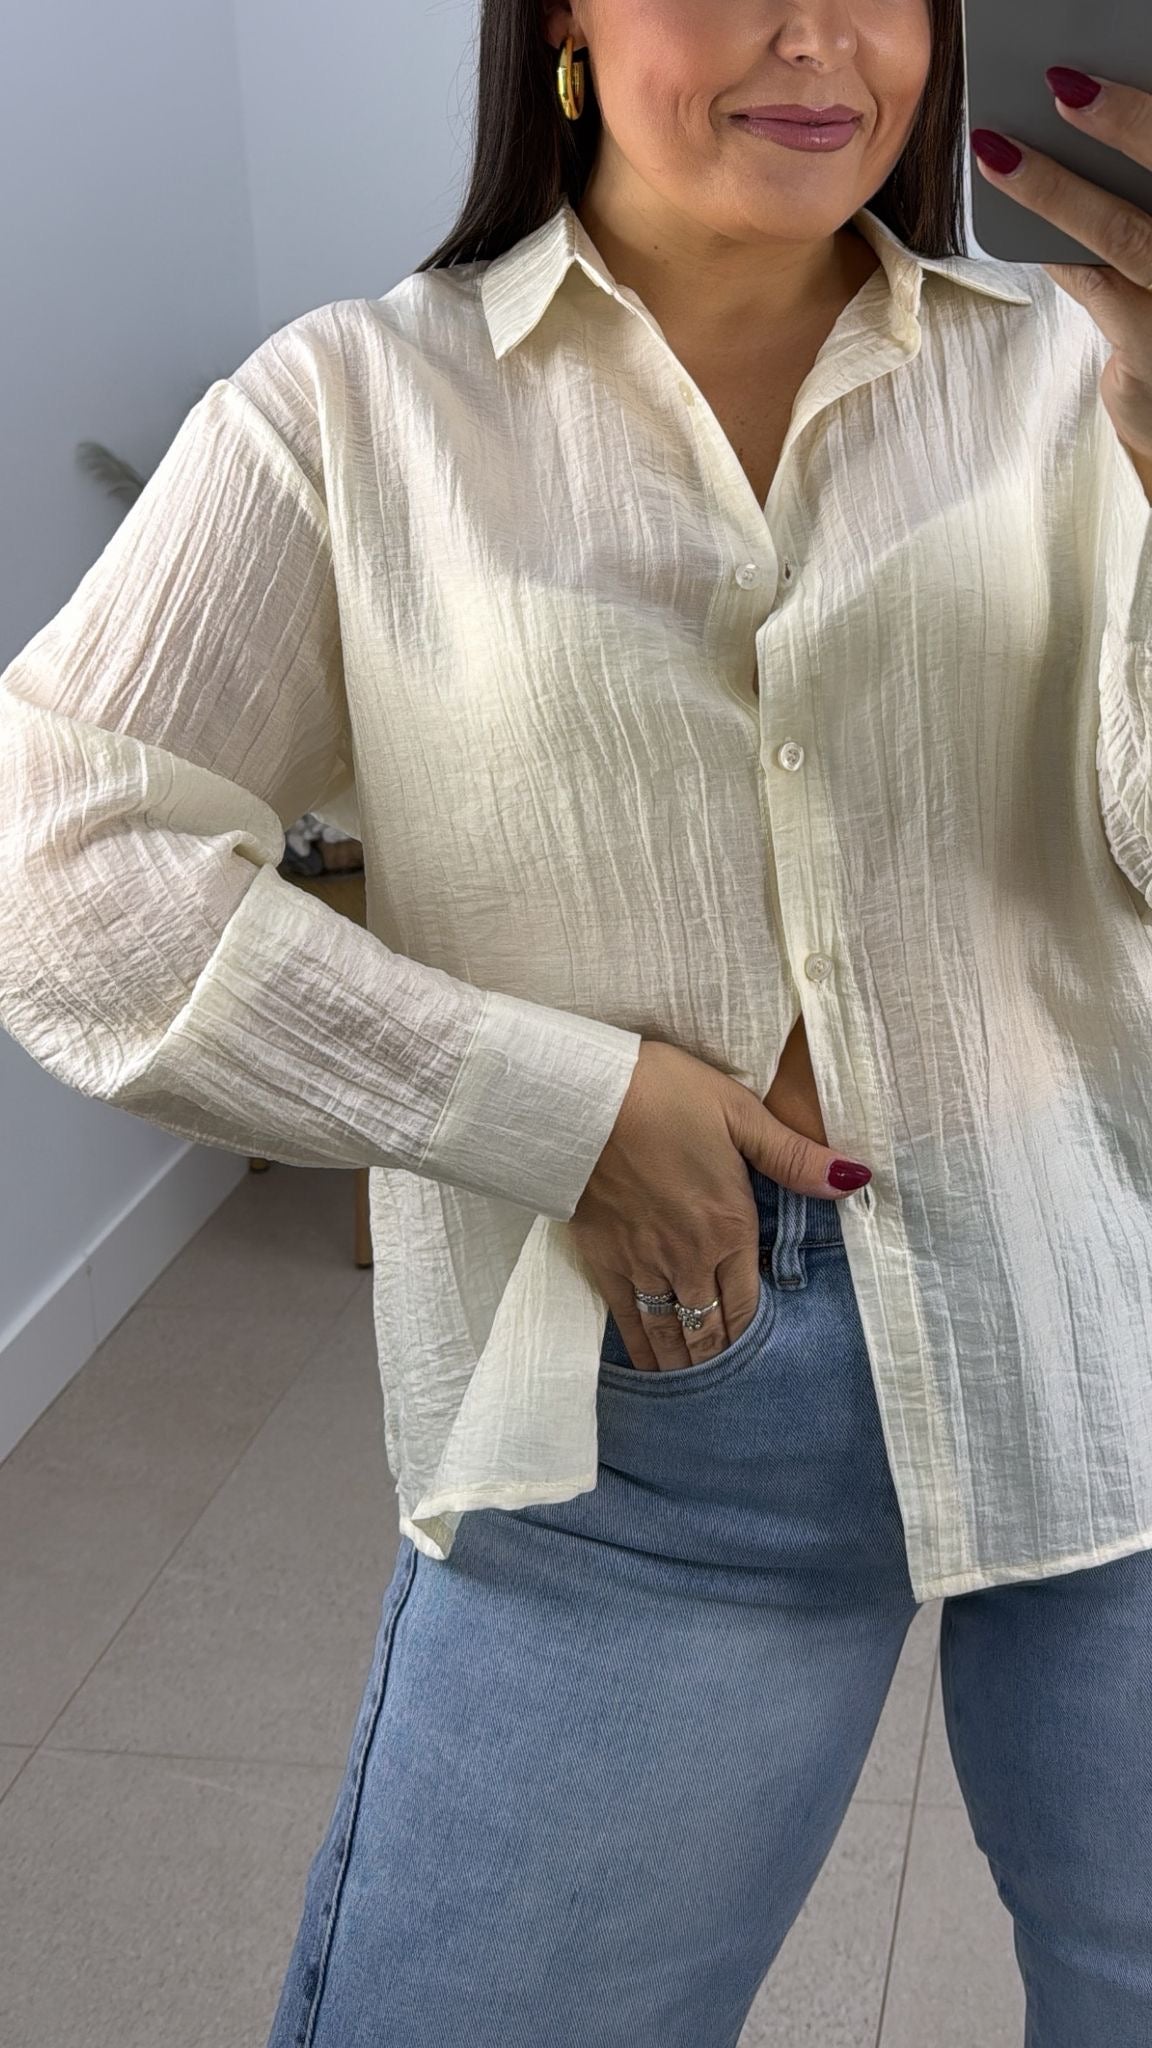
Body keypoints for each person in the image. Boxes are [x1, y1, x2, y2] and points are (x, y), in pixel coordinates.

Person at [3, 1, 1152, 2041]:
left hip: (1103, 1302)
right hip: (654, 1406)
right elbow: (58, 863)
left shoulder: (1079, 374)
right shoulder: (357, 407)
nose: (818, 34)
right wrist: (553, 1107)